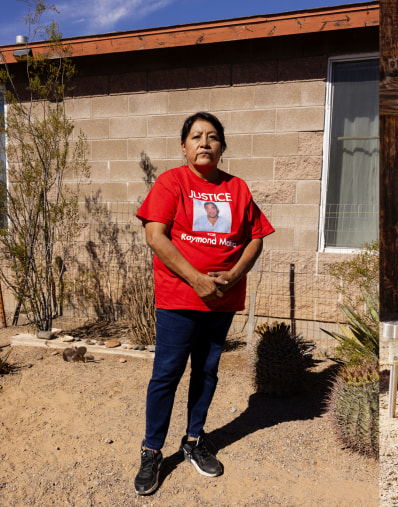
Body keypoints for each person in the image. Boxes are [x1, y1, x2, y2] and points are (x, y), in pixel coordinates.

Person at [133, 112, 274, 495]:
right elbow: (155, 236)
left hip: (222, 299)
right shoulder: (171, 182)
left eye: (213, 137)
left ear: (222, 147)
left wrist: (234, 274)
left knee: (207, 372)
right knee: (166, 375)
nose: (204, 143)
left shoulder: (237, 188)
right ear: (183, 146)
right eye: (196, 137)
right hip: (179, 298)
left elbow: (257, 237)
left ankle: (193, 442)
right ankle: (152, 452)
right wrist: (197, 279)